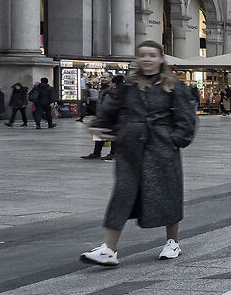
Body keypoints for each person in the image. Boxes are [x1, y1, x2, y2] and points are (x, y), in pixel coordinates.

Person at [79, 41, 197, 266]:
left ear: (161, 58)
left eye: (152, 55)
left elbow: (186, 118)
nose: (147, 59)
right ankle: (109, 249)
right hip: (130, 148)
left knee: (167, 194)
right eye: (142, 55)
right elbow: (111, 108)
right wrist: (101, 123)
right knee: (122, 195)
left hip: (161, 148)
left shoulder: (173, 85)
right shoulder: (130, 85)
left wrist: (176, 139)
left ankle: (172, 241)